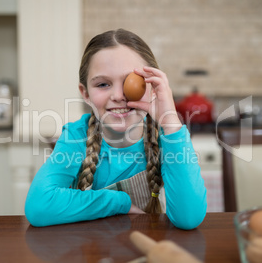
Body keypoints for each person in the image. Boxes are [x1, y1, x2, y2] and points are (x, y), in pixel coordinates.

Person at [25, 28, 207, 229]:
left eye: (132, 82)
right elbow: (39, 207)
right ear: (85, 93)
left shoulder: (167, 138)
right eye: (103, 84)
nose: (119, 96)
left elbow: (189, 218)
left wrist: (170, 120)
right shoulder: (76, 137)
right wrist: (120, 203)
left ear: (153, 88)